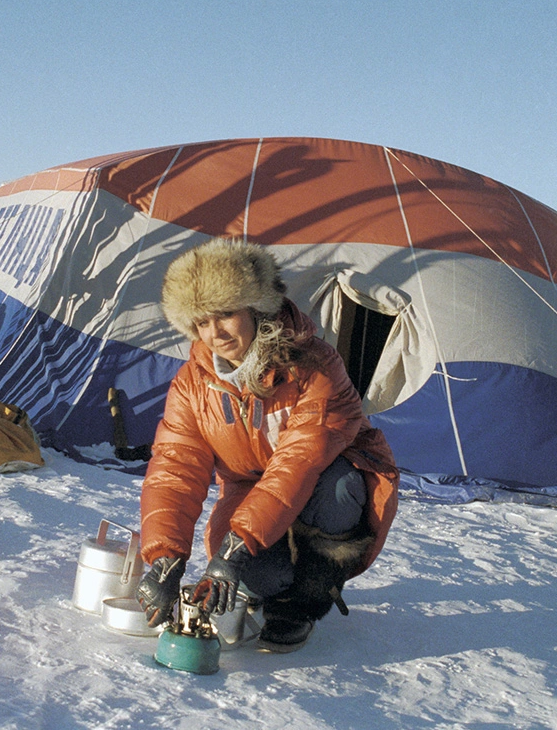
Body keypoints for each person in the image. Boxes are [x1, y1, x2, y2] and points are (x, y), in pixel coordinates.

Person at [136, 238, 398, 652]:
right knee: (249, 572)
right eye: (201, 322)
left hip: (322, 481)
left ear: (255, 308)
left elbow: (300, 461)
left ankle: (305, 602)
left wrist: (236, 546)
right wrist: (165, 557)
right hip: (250, 492)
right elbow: (175, 467)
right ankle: (269, 586)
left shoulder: (315, 367)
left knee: (338, 488)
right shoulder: (193, 384)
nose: (214, 333)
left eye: (225, 315)